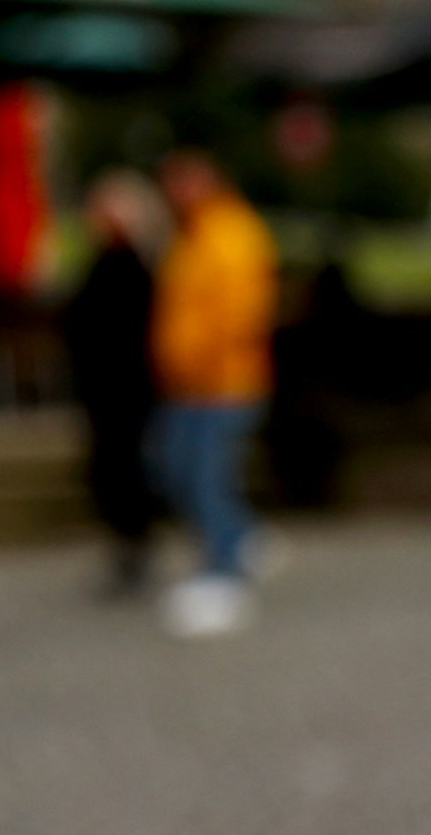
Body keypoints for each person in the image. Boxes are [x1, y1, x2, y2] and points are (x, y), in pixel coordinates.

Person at [146, 150, 278, 638]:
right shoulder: (190, 235)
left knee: (204, 476)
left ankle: (225, 576)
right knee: (174, 468)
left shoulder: (232, 233)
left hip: (222, 384)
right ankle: (239, 537)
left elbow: (242, 310)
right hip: (187, 385)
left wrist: (203, 359)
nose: (176, 192)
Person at [60, 171, 162, 595]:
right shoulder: (109, 262)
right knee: (113, 468)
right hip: (108, 388)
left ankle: (134, 550)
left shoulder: (130, 266)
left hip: (125, 388)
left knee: (124, 469)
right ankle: (127, 548)